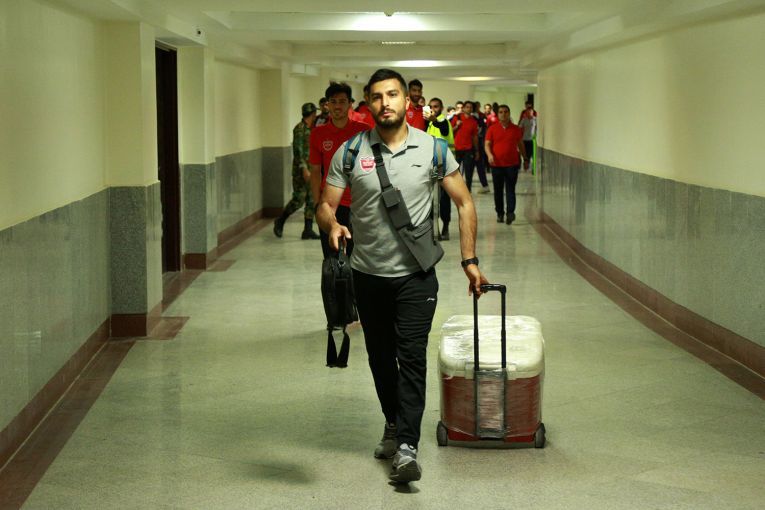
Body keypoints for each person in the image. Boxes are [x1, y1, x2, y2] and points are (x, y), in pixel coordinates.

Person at [317, 68, 488, 484]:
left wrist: (469, 259)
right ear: (368, 104)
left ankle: (407, 445)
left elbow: (465, 203)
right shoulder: (351, 152)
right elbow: (325, 204)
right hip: (367, 275)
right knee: (380, 357)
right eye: (377, 97)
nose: (386, 103)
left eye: (392, 95)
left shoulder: (433, 149)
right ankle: (393, 423)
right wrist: (332, 225)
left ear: (406, 101)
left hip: (416, 276)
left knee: (411, 357)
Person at [309, 82, 370, 257]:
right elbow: (315, 171)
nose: (337, 106)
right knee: (332, 258)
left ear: (350, 104)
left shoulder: (363, 131)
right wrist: (317, 204)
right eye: (333, 102)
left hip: (359, 203)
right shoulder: (318, 134)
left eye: (342, 102)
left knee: (359, 257)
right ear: (327, 104)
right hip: (330, 205)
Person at [273, 103, 320, 239]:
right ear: (312, 114)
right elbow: (297, 150)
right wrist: (304, 168)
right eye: (314, 113)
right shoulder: (299, 129)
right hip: (301, 171)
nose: (316, 116)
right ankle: (280, 220)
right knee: (299, 199)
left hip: (312, 169)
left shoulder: (313, 129)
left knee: (311, 199)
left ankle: (308, 230)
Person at [484, 104, 526, 225]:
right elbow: (487, 144)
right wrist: (489, 155)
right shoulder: (492, 129)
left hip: (512, 164)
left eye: (506, 112)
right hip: (496, 165)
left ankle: (510, 213)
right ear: (498, 114)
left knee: (510, 189)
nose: (503, 114)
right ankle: (500, 213)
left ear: (509, 113)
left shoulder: (516, 129)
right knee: (498, 190)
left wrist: (525, 158)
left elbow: (521, 144)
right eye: (501, 112)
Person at [425, 97, 456, 241]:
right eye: (431, 106)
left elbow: (443, 128)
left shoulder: (443, 121)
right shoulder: (430, 123)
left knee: (444, 199)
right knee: (431, 199)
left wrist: (434, 120)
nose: (433, 109)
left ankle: (445, 227)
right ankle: (433, 228)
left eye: (436, 106)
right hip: (431, 165)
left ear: (442, 108)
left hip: (445, 166)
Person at [451, 100, 480, 192]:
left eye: (471, 107)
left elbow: (475, 137)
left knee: (469, 170)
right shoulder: (457, 117)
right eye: (467, 107)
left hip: (468, 149)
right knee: (456, 171)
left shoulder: (473, 121)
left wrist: (477, 151)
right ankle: (457, 188)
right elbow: (450, 131)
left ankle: (468, 189)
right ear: (463, 108)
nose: (469, 109)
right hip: (457, 148)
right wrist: (457, 126)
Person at [518, 101, 537, 171]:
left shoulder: (535, 119)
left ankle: (530, 165)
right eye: (528, 112)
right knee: (524, 153)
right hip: (524, 139)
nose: (529, 113)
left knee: (530, 153)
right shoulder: (524, 119)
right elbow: (519, 127)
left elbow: (537, 128)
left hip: (532, 139)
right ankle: (526, 164)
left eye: (530, 112)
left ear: (532, 112)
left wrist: (536, 135)